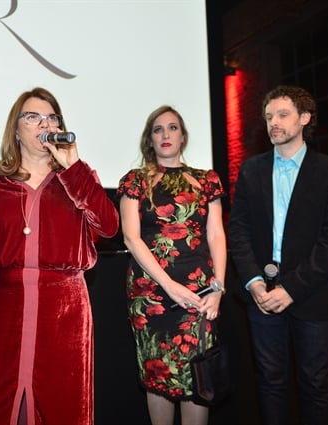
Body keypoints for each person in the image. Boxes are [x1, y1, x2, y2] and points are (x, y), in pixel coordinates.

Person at [0, 87, 119, 425]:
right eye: (33, 117)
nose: (44, 124)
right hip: (5, 306)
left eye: (51, 118)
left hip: (64, 309)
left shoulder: (78, 175)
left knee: (60, 402)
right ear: (16, 128)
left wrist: (73, 169)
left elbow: (108, 226)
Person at [228, 85, 328, 425]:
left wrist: (291, 288)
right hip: (261, 295)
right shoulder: (251, 170)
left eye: (283, 115)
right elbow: (238, 231)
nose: (274, 122)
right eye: (269, 116)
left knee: (315, 385)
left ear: (305, 118)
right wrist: (254, 282)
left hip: (313, 294)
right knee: (270, 382)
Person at [116, 105, 227, 425]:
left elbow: (217, 235)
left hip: (200, 293)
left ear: (183, 137)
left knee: (197, 375)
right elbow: (131, 238)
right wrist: (169, 286)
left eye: (173, 127)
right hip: (151, 293)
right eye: (158, 129)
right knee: (158, 375)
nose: (166, 134)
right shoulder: (135, 180)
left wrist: (218, 288)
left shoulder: (207, 180)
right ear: (149, 139)